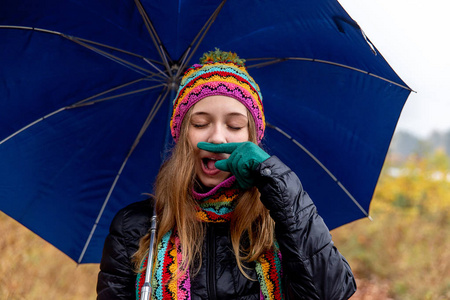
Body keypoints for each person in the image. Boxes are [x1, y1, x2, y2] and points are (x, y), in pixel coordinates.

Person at [97, 49, 357, 300]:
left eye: (234, 125)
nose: (218, 137)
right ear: (182, 135)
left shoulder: (283, 219)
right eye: (200, 124)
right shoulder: (136, 226)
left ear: (251, 138)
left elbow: (331, 292)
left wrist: (276, 182)